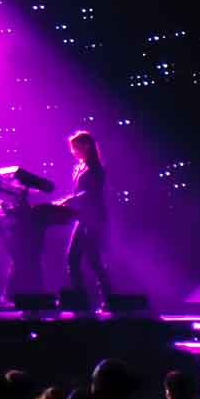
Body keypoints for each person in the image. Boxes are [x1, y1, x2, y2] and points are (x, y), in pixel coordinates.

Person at [55, 130, 111, 308]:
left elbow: (89, 193)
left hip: (93, 218)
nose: (73, 151)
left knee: (84, 258)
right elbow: (80, 193)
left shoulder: (95, 168)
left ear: (86, 146)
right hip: (85, 217)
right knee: (86, 258)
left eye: (75, 147)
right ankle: (98, 299)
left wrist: (69, 200)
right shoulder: (83, 167)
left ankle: (94, 299)